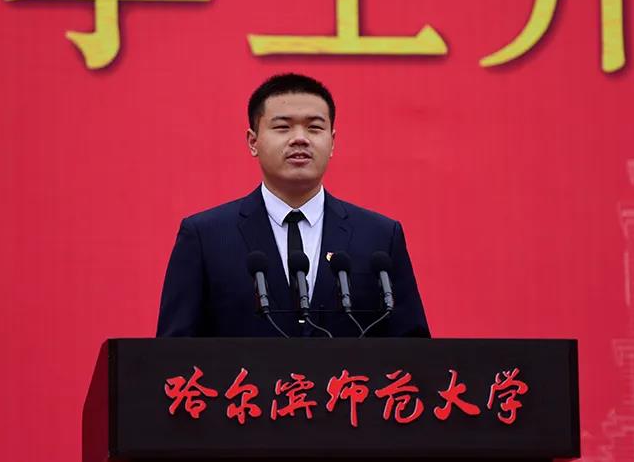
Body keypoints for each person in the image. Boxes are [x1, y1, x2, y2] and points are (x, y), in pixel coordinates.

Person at [156, 73, 429, 338]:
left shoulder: (379, 236)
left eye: (314, 127)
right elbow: (175, 350)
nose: (300, 138)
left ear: (332, 142)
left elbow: (413, 348)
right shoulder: (206, 237)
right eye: (282, 127)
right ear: (253, 142)